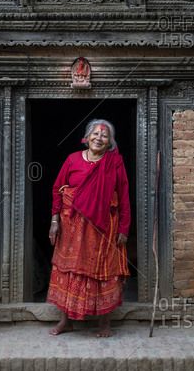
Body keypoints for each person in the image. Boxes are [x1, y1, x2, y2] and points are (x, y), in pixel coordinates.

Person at [47, 119, 131, 337]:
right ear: (86, 138)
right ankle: (66, 321)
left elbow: (123, 196)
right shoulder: (72, 159)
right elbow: (57, 189)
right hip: (71, 226)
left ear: (110, 142)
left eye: (105, 136)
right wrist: (54, 221)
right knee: (69, 270)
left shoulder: (115, 163)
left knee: (103, 271)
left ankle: (104, 323)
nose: (99, 138)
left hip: (104, 227)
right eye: (95, 134)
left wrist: (124, 228)